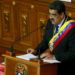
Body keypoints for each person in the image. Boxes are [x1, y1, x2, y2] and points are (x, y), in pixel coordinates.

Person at [27, 1, 75, 75]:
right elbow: (46, 41)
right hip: (52, 64)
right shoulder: (50, 22)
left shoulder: (72, 28)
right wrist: (36, 51)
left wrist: (54, 57)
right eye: (49, 14)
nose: (50, 17)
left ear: (62, 14)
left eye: (53, 15)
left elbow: (73, 53)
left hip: (67, 67)